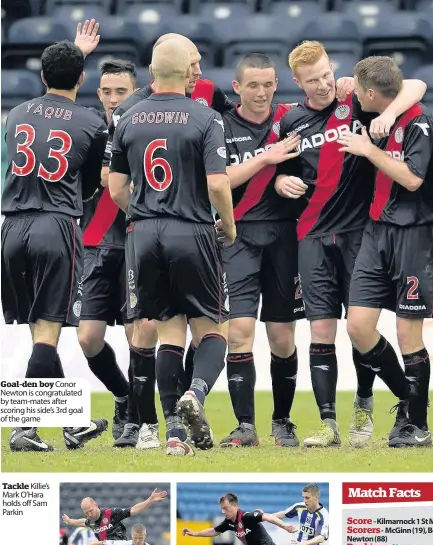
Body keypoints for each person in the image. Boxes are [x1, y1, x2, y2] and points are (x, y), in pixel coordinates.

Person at [275, 41, 427, 448]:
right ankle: (328, 423)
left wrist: (389, 112)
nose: (324, 84)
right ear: (297, 82)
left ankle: (364, 400)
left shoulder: (355, 102)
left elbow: (415, 85)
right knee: (321, 329)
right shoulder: (289, 120)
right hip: (311, 236)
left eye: (327, 74)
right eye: (313, 80)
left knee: (361, 329)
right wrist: (278, 180)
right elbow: (278, 168)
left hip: (360, 233)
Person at [103, 33, 236, 451]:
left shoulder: (128, 116)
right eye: (194, 63)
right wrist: (228, 225)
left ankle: (174, 436)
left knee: (168, 335)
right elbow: (217, 184)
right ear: (185, 71)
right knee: (214, 330)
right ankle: (195, 394)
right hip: (191, 229)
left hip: (143, 234)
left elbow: (115, 187)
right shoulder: (204, 118)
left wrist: (143, 212)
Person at [1, 39, 108, 452]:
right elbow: (90, 186)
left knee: (39, 331)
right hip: (56, 225)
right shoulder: (91, 122)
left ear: (42, 76)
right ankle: (23, 427)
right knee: (48, 333)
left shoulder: (18, 113)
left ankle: (72, 424)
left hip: (11, 228)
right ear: (83, 78)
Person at [338, 56, 433, 447]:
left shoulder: (418, 122)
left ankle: (416, 423)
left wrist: (368, 150)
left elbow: (413, 179)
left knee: (407, 333)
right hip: (376, 229)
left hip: (414, 235)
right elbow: (412, 82)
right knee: (358, 326)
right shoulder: (376, 113)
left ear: (371, 94)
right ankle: (407, 396)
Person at [217, 53, 302, 448]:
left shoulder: (291, 120)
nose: (262, 92)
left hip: (286, 237)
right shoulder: (221, 125)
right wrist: (267, 159)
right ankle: (245, 425)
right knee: (239, 331)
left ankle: (283, 421)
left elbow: (312, 167)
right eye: (253, 85)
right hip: (238, 237)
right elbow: (217, 179)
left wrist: (286, 177)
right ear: (237, 87)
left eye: (269, 84)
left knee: (282, 337)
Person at [77, 59, 139, 446]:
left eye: (122, 91)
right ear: (97, 93)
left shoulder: (145, 129)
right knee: (88, 338)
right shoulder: (87, 129)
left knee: (139, 336)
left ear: (136, 92)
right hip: (95, 244)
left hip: (137, 242)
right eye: (107, 91)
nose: (113, 99)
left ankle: (134, 419)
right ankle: (123, 395)